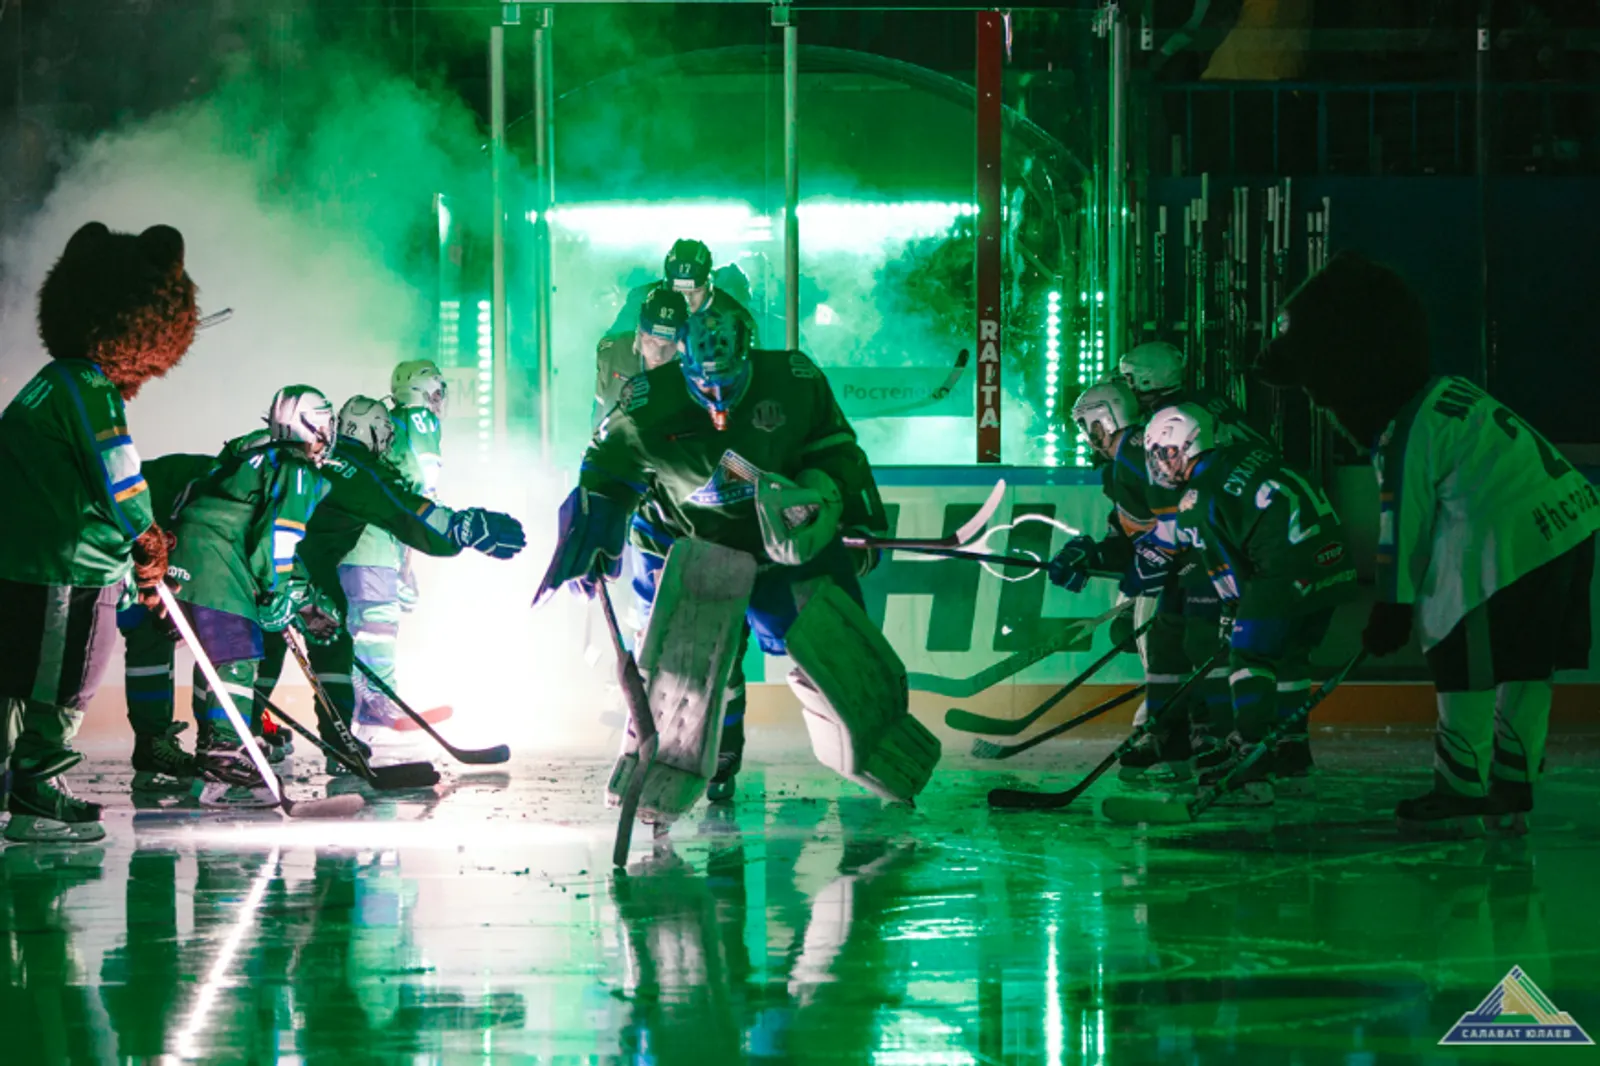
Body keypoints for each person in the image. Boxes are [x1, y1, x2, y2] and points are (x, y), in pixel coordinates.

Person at [536, 306, 936, 810]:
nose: (718, 397)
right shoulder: (645, 400)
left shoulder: (794, 379)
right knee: (685, 665)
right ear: (683, 361)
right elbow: (604, 471)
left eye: (729, 381)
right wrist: (593, 533)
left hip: (776, 542)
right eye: (704, 384)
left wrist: (841, 507)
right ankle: (686, 761)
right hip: (680, 545)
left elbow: (837, 449)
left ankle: (881, 742)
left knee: (837, 648)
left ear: (748, 354)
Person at [1255, 250, 1598, 832]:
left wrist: (1392, 608)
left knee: (1458, 645)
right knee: (1526, 663)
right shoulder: (1449, 393)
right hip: (1571, 521)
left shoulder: (1408, 428)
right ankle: (1513, 786)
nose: (1314, 396)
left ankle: (1461, 788)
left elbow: (1402, 528)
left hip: (1510, 535)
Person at [0, 222, 199, 843]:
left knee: (16, 677)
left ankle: (19, 780)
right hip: (70, 566)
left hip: (26, 559)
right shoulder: (88, 386)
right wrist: (148, 539)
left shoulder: (48, 382)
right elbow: (119, 475)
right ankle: (35, 792)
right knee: (69, 678)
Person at [283, 394, 526, 765]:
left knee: (257, 647)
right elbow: (403, 508)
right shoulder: (357, 470)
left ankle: (241, 737)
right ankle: (338, 742)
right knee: (331, 641)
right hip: (302, 567)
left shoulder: (300, 456)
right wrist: (462, 528)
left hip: (268, 562)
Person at [1141, 403, 1359, 804]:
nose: (1161, 464)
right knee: (1290, 654)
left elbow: (1231, 577)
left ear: (1186, 446)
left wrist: (1233, 615)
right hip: (1334, 564)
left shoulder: (1195, 500)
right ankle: (1293, 758)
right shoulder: (1248, 453)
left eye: (1165, 452)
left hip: (1283, 573)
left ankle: (1251, 763)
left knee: (1248, 657)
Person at [163, 385, 343, 807]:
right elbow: (278, 537)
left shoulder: (253, 451)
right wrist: (278, 593)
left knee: (215, 660)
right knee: (238, 654)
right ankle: (226, 751)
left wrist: (303, 600)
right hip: (216, 560)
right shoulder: (297, 468)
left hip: (184, 554)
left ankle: (214, 751)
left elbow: (255, 529)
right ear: (313, 425)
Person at [1045, 378, 1227, 782]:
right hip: (1184, 562)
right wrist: (1095, 554)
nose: (1087, 435)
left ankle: (1193, 733)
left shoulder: (1132, 454)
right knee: (1164, 647)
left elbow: (1172, 520)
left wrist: (1148, 564)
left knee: (1182, 646)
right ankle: (1179, 733)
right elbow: (1134, 532)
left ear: (1105, 420)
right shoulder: (1126, 459)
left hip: (1194, 563)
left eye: (1087, 424)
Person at [337, 360, 454, 740]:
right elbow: (418, 492)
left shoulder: (388, 420)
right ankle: (376, 707)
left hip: (357, 542)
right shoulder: (420, 421)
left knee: (359, 624)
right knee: (378, 621)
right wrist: (410, 558)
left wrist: (404, 563)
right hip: (372, 543)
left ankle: (359, 713)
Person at [608, 239, 759, 344]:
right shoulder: (642, 300)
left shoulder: (732, 311)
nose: (687, 301)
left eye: (694, 293)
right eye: (679, 293)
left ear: (708, 285)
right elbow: (613, 345)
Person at [595, 286, 690, 424]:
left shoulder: (695, 371)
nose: (658, 355)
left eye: (668, 345)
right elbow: (599, 412)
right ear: (640, 334)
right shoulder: (612, 354)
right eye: (651, 342)